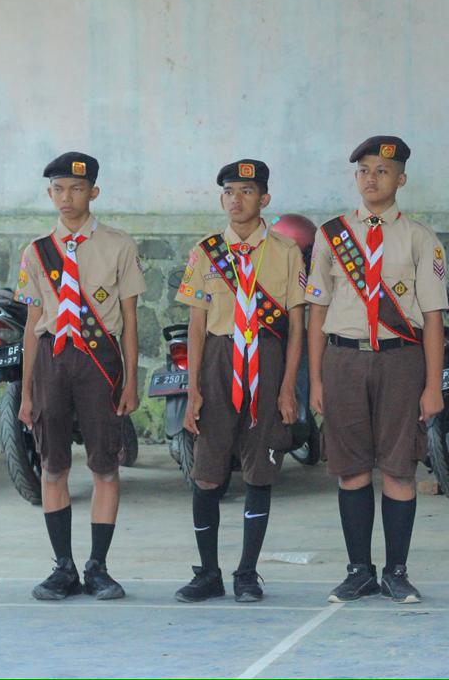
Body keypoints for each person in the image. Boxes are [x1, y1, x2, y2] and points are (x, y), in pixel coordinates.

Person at [305, 136, 447, 603]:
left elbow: (432, 318)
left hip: (400, 360)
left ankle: (397, 572)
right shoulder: (331, 235)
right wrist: (316, 379)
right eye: (364, 170)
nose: (371, 178)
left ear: (400, 179)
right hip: (344, 359)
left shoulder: (420, 238)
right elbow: (317, 311)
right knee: (350, 469)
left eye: (382, 171)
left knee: (399, 468)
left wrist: (433, 385)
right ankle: (359, 570)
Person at [172, 160, 306, 603]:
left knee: (260, 471)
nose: (236, 199)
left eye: (247, 191)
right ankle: (207, 572)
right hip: (218, 360)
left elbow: (297, 326)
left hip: (266, 361)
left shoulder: (286, 252)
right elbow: (196, 325)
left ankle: (247, 573)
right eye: (229, 191)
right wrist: (193, 389)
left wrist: (288, 386)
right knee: (207, 473)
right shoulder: (206, 252)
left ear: (264, 198)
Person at [15, 152, 146, 601]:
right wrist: (27, 390)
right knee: (53, 465)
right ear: (49, 193)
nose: (66, 197)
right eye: (58, 189)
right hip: (52, 359)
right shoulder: (36, 252)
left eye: (76, 188)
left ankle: (98, 567)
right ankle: (63, 567)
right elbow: (32, 324)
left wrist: (130, 380)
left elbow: (130, 320)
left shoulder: (118, 245)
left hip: (100, 362)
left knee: (104, 465)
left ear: (94, 191)